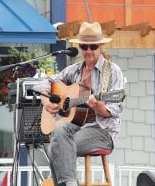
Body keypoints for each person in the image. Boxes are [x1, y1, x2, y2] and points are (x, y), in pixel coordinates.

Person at [39, 22, 124, 186]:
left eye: (93, 46)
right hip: (77, 127)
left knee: (55, 148)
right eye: (84, 47)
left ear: (100, 46)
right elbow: (45, 81)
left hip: (103, 131)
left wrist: (98, 106)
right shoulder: (74, 70)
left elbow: (115, 109)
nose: (88, 51)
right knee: (59, 135)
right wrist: (46, 100)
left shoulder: (112, 71)